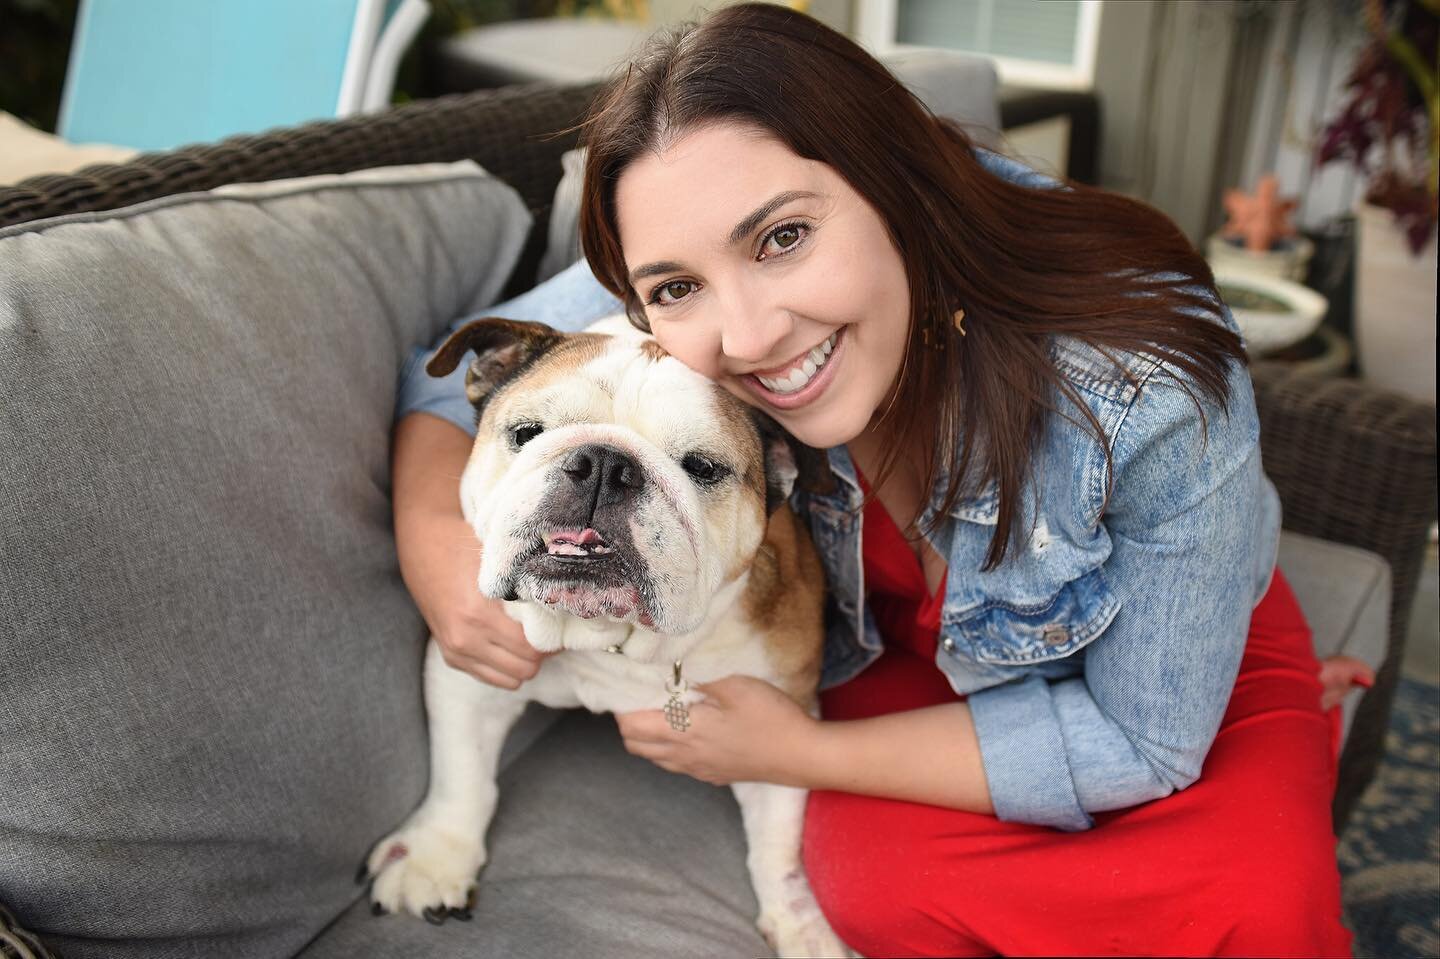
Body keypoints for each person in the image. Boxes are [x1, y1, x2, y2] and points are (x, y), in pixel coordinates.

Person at [391, 4, 1356, 955]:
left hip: (1145, 659)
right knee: (880, 892)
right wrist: (442, 554)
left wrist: (793, 751)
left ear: (900, 186)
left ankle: (1280, 713)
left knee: (1256, 910)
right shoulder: (676, 232)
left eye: (783, 240)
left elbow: (1142, 746)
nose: (751, 336)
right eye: (676, 289)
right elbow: (456, 378)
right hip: (901, 647)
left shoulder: (1151, 389)